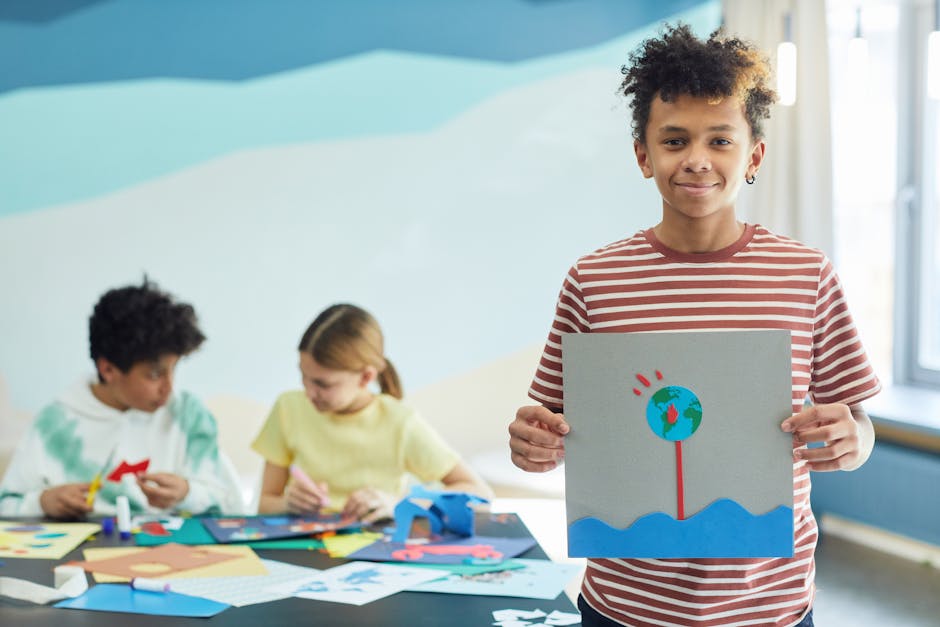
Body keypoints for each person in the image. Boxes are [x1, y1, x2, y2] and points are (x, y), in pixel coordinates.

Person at [507, 24, 880, 627]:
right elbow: (549, 428)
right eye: (674, 140)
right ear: (643, 154)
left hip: (771, 607)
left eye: (721, 140)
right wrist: (532, 443)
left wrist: (851, 440)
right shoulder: (594, 280)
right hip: (625, 607)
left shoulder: (805, 275)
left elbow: (857, 425)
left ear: (753, 155)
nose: (697, 160)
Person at [0, 280, 244, 519]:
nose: (169, 388)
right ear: (108, 370)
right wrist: (42, 502)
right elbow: (7, 505)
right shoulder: (55, 423)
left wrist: (188, 493)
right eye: (155, 375)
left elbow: (234, 506)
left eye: (174, 369)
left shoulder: (188, 416)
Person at [253, 303, 492, 522]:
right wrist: (287, 502)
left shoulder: (400, 422)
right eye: (303, 377)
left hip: (377, 553)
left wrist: (400, 502)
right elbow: (265, 503)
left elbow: (481, 495)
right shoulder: (288, 408)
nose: (308, 392)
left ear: (366, 377)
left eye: (322, 384)